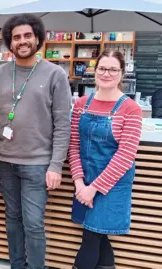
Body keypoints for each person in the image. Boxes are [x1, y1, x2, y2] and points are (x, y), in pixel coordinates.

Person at [0, 14, 71, 269]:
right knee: (12, 219)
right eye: (16, 37)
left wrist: (55, 165)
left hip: (38, 164)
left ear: (38, 38)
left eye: (27, 36)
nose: (22, 41)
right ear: (9, 42)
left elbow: (63, 124)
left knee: (33, 222)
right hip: (4, 162)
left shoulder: (55, 75)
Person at [69, 50, 142, 269]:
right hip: (85, 181)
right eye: (102, 68)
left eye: (113, 69)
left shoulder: (131, 109)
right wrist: (79, 183)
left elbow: (125, 156)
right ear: (95, 71)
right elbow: (73, 145)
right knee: (99, 236)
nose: (106, 73)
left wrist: (94, 189)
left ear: (122, 74)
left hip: (113, 185)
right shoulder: (81, 104)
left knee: (91, 236)